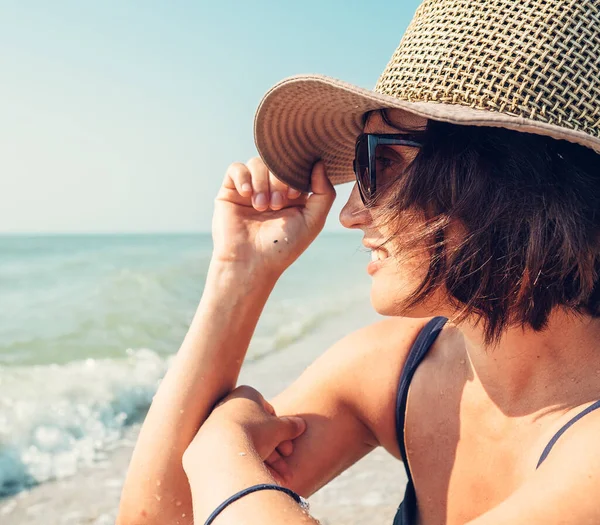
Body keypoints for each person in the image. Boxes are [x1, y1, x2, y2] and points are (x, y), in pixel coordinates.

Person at [117, 1, 600, 524]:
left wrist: (219, 452)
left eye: (383, 161)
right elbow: (162, 517)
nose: (350, 212)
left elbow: (206, 488)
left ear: (515, 183)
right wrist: (240, 273)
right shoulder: (400, 369)